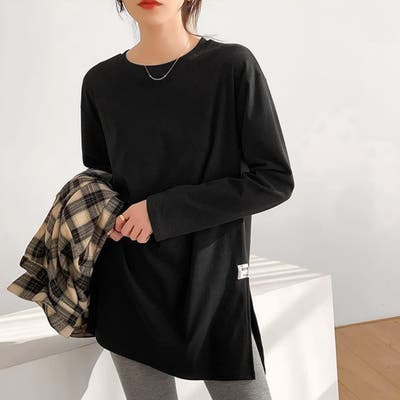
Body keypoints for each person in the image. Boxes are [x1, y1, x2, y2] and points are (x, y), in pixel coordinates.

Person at [80, 0, 294, 398]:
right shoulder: (100, 82)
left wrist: (159, 212)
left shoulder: (232, 66)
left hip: (211, 280)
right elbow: (104, 176)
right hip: (128, 284)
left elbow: (274, 180)